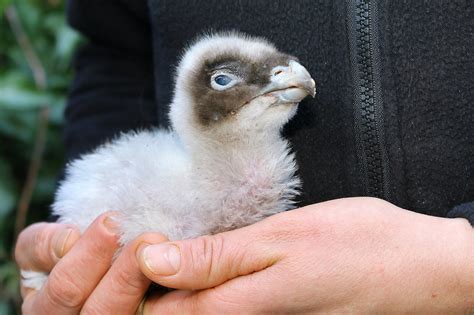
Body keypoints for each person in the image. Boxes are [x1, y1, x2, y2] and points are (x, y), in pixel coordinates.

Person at [15, 1, 473, 313]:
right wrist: (86, 280)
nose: (285, 76)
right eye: (225, 81)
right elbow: (115, 48)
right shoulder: (143, 194)